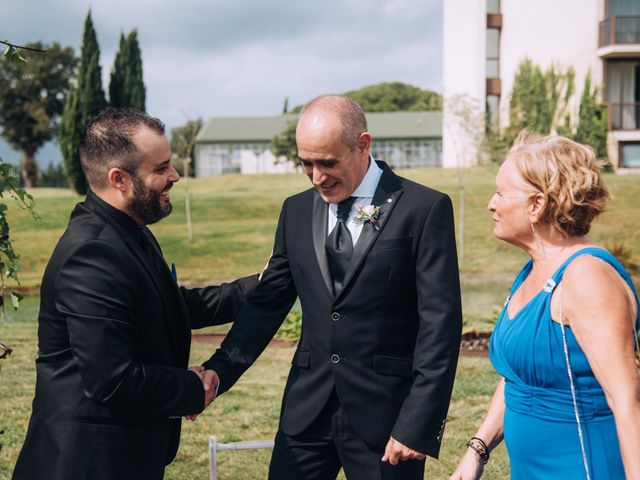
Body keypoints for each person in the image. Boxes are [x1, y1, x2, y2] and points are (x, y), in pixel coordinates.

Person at [203, 95, 462, 479]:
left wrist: (417, 423)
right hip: (306, 414)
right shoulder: (295, 210)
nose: (317, 177)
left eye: (328, 163)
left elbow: (440, 326)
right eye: (306, 163)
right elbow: (267, 304)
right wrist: (220, 369)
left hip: (387, 420)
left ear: (363, 145)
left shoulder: (423, 209)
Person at [12, 108, 258, 480]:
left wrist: (263, 284)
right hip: (88, 463)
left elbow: (169, 307)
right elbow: (113, 379)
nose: (175, 175)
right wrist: (192, 388)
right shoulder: (92, 254)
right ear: (120, 179)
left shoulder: (131, 232)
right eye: (160, 169)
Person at [450, 132, 640, 479]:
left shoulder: (586, 276)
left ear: (536, 205)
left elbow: (627, 401)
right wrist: (477, 449)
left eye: (501, 193)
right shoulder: (533, 269)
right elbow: (518, 376)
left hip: (583, 467)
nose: (491, 204)